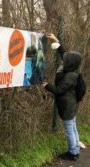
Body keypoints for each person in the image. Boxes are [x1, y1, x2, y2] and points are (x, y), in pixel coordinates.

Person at [42, 33, 82, 161]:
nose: (64, 59)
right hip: (72, 105)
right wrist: (56, 41)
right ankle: (75, 148)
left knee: (69, 129)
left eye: (67, 59)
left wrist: (47, 85)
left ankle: (73, 153)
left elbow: (59, 90)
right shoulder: (72, 69)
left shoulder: (70, 75)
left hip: (67, 106)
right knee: (73, 127)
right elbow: (64, 53)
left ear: (69, 63)